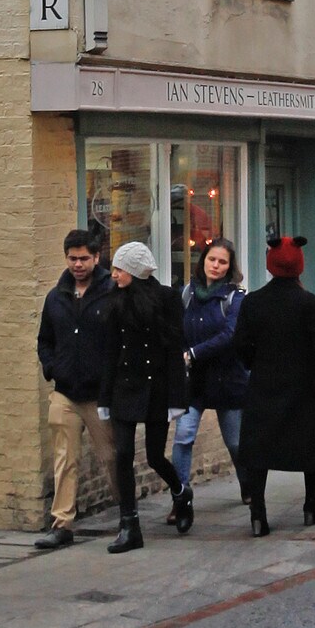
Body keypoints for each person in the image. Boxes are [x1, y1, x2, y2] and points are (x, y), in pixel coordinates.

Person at [234, 234, 315, 536]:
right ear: (299, 266)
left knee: (258, 449)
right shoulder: (308, 302)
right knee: (311, 443)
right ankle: (311, 507)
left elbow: (240, 343)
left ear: (271, 264)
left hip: (264, 383)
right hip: (304, 384)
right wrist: (312, 364)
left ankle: (258, 515)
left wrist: (255, 363)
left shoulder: (253, 302)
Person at [97, 241, 187, 554]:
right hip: (124, 386)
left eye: (119, 268)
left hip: (157, 388)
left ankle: (180, 491)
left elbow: (175, 349)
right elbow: (109, 351)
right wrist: (104, 399)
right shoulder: (114, 301)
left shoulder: (166, 298)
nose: (114, 274)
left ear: (134, 271)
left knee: (154, 456)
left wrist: (178, 397)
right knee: (123, 454)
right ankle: (129, 524)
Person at [34, 227, 116, 550]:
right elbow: (45, 340)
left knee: (111, 455)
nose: (78, 264)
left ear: (96, 258)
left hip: (99, 395)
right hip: (65, 391)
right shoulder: (56, 297)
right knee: (64, 458)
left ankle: (126, 512)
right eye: (72, 258)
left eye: (84, 258)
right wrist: (52, 368)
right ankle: (62, 523)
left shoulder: (110, 293)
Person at [171, 237, 248, 524]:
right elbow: (176, 329)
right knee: (183, 437)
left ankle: (248, 485)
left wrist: (193, 352)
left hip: (228, 379)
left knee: (236, 443)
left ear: (230, 267)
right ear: (203, 260)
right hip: (194, 382)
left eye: (222, 262)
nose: (215, 266)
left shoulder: (235, 298)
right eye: (211, 259)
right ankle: (180, 499)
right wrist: (179, 354)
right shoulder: (187, 294)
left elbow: (229, 336)